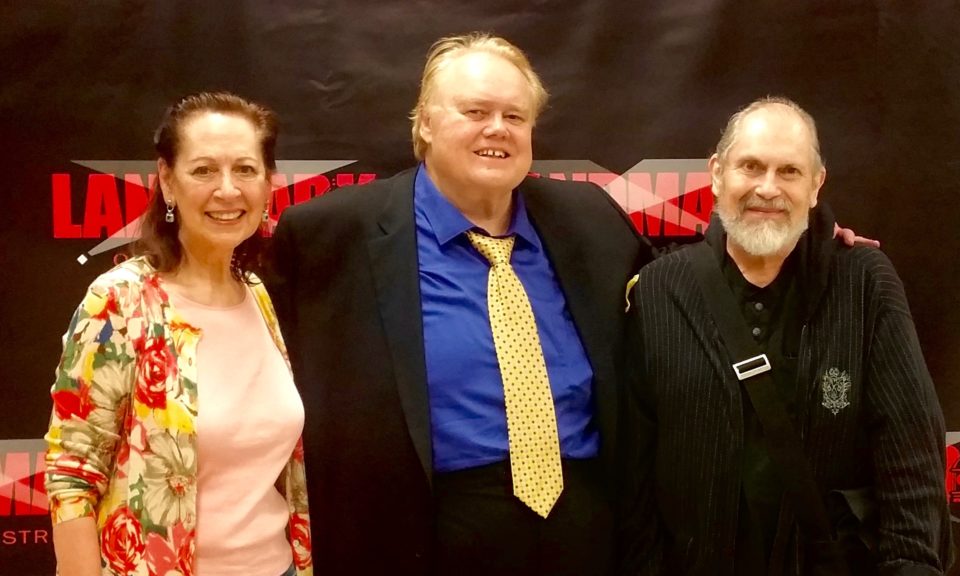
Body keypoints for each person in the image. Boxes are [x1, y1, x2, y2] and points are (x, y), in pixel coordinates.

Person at [266, 33, 650, 575]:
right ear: (424, 123)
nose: (498, 129)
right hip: (422, 533)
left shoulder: (591, 222)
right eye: (475, 111)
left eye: (515, 116)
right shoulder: (330, 236)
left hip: (583, 527)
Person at [618, 97, 952, 575]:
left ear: (816, 185)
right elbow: (635, 479)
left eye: (789, 172)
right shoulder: (659, 290)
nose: (767, 189)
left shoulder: (864, 282)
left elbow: (910, 455)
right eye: (750, 167)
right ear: (717, 174)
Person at [44, 92, 313, 576]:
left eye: (246, 170)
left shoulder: (258, 296)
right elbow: (73, 472)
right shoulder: (120, 301)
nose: (228, 190)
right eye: (204, 170)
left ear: (269, 184)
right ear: (167, 181)